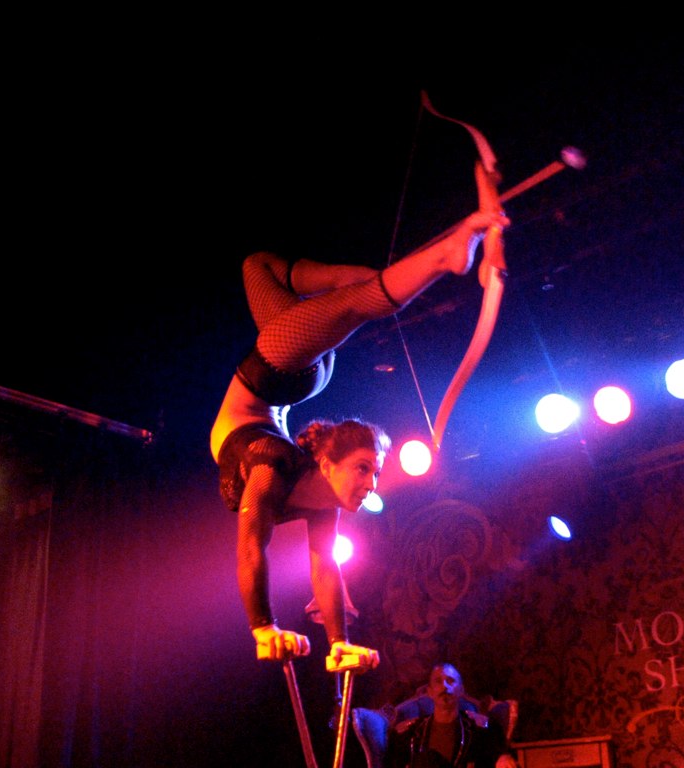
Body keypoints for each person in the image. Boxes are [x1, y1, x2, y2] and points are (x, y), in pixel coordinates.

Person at [210, 208, 509, 669]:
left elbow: (313, 565)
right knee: (347, 300)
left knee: (260, 266)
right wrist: (264, 627)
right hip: (284, 368)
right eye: (366, 469)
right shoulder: (298, 480)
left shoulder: (271, 470)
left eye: (370, 471)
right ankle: (437, 259)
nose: (372, 484)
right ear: (327, 463)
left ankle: (354, 280)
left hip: (279, 373)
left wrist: (333, 642)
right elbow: (267, 551)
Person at [385, 663, 518, 768]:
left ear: (461, 690)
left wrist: (502, 757)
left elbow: (501, 751)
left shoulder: (481, 729)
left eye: (450, 681)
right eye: (438, 681)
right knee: (427, 760)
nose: (444, 686)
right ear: (429, 692)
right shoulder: (409, 734)